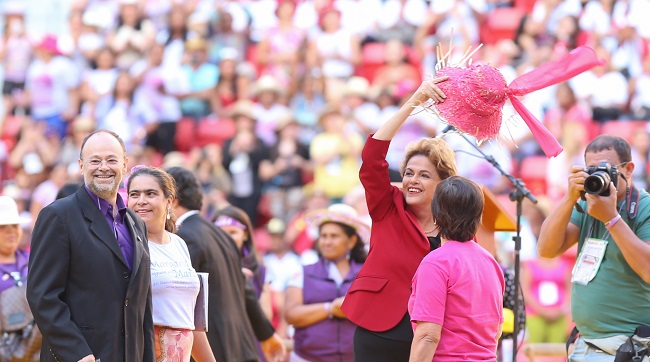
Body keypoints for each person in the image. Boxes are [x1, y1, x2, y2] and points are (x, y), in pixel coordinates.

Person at [341, 77, 457, 361]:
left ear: (443, 183)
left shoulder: (456, 227)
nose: (412, 181)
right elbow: (372, 156)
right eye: (409, 173)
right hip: (377, 329)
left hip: (431, 336)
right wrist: (414, 102)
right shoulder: (387, 206)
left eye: (424, 175)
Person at [26, 130, 154, 362]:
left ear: (124, 164)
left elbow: (142, 302)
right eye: (95, 160)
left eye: (111, 160)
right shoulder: (58, 216)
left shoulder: (136, 223)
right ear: (81, 166)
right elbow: (42, 296)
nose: (103, 167)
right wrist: (78, 353)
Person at [537, 135, 650, 361]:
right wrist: (569, 198)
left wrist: (611, 218)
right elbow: (547, 249)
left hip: (629, 347)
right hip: (585, 343)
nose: (600, 176)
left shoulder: (644, 207)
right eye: (592, 169)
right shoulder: (587, 203)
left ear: (628, 169)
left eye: (607, 169)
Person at [167, 166, 287, 362]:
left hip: (213, 351)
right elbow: (245, 289)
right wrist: (267, 334)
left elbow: (184, 300)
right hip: (242, 348)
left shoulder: (184, 238)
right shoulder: (221, 235)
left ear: (172, 200)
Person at [408, 176, 505, 361]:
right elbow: (496, 330)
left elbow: (428, 335)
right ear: (478, 217)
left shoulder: (436, 263)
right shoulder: (490, 262)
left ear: (436, 216)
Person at [126, 166, 215, 362]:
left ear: (169, 201)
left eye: (150, 193)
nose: (141, 201)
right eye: (134, 194)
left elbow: (189, 320)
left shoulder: (179, 243)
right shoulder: (125, 246)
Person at [285, 203, 370, 362]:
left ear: (351, 241)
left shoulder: (366, 274)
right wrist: (330, 308)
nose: (327, 242)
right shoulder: (302, 271)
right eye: (323, 236)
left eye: (334, 236)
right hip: (306, 358)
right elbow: (291, 314)